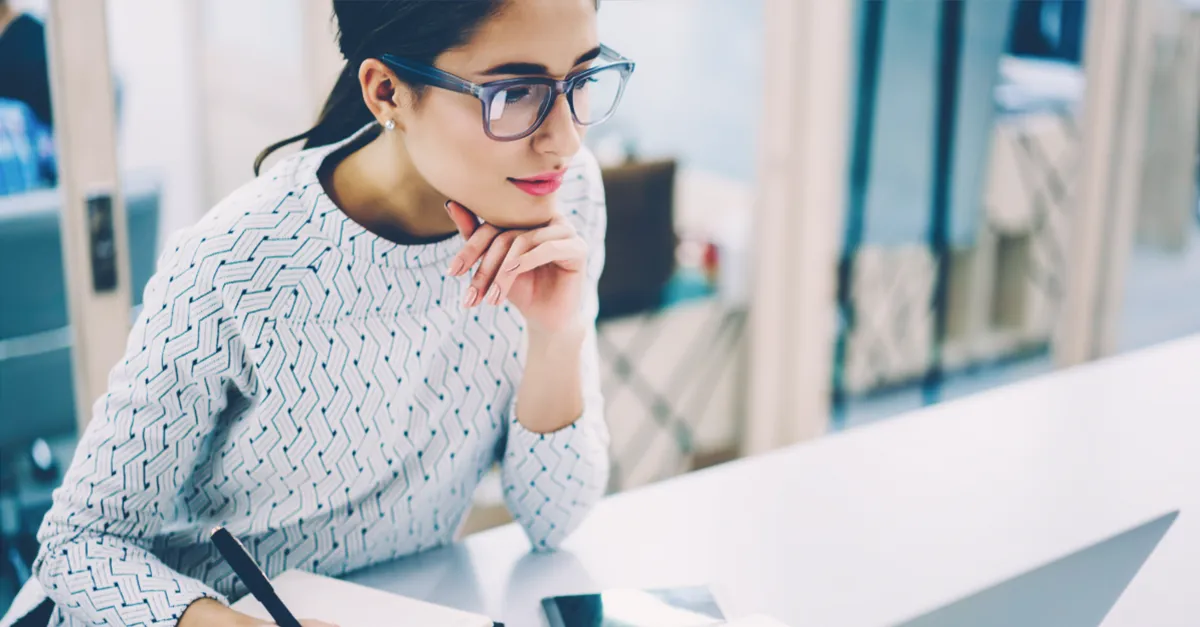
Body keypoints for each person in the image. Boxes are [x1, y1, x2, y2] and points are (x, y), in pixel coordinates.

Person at [28, 0, 634, 624]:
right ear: (387, 92)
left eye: (581, 82)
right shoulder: (237, 263)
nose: (564, 138)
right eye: (515, 92)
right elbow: (80, 547)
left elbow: (554, 521)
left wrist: (557, 336)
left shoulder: (561, 196)